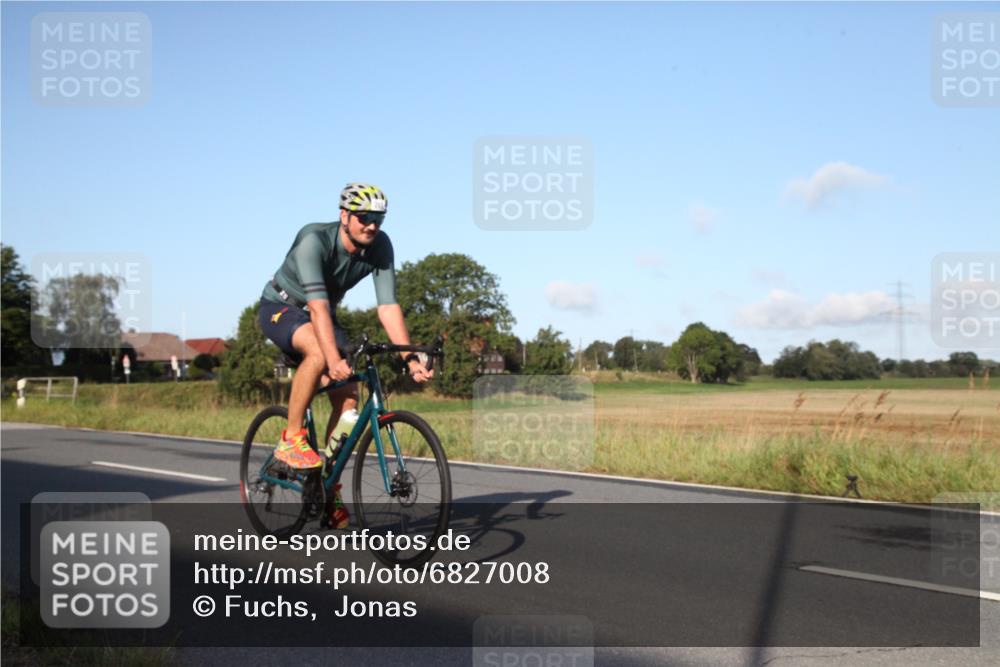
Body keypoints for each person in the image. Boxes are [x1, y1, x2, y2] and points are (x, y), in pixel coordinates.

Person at [258, 183, 433, 469]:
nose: (372, 226)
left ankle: (325, 482)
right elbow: (317, 307)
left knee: (349, 397)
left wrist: (410, 358)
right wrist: (331, 358)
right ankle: (291, 438)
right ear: (344, 216)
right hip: (282, 307)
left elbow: (388, 307)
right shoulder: (315, 241)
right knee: (318, 352)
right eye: (364, 217)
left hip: (324, 313)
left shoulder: (380, 246)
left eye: (378, 219)